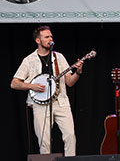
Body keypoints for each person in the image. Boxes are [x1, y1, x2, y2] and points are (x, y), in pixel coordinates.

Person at [10, 26, 84, 156]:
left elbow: (70, 82)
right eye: (46, 37)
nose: (50, 39)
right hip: (40, 106)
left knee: (70, 135)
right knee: (44, 141)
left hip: (61, 102)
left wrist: (78, 71)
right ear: (38, 40)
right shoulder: (29, 60)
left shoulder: (59, 57)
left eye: (51, 37)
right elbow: (14, 83)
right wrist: (31, 86)